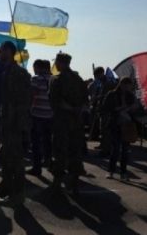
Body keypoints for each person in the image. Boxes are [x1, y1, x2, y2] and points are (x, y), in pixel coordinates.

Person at [0, 41, 31, 207]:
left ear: (9, 52)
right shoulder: (6, 71)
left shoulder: (18, 73)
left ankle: (17, 195)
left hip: (14, 123)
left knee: (15, 159)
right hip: (7, 120)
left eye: (2, 51)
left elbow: (23, 100)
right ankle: (7, 187)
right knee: (5, 156)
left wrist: (18, 123)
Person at [49, 53, 88, 195]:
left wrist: (70, 108)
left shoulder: (57, 80)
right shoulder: (78, 79)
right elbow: (85, 101)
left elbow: (55, 101)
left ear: (60, 63)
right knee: (75, 151)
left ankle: (57, 183)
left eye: (56, 62)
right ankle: (75, 183)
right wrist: (76, 110)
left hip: (62, 121)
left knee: (60, 151)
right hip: (76, 121)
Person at [102, 77, 139, 180]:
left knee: (125, 150)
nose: (127, 87)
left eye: (129, 86)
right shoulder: (112, 94)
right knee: (115, 149)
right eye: (126, 85)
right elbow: (105, 107)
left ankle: (123, 172)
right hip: (115, 124)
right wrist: (117, 109)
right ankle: (111, 171)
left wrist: (132, 108)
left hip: (127, 124)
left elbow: (136, 109)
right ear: (121, 84)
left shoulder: (131, 95)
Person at [28, 60, 53, 176]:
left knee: (36, 143)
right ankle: (49, 162)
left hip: (37, 114)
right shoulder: (52, 79)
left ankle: (36, 168)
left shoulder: (36, 79)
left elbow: (31, 95)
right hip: (50, 114)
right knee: (48, 141)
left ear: (37, 67)